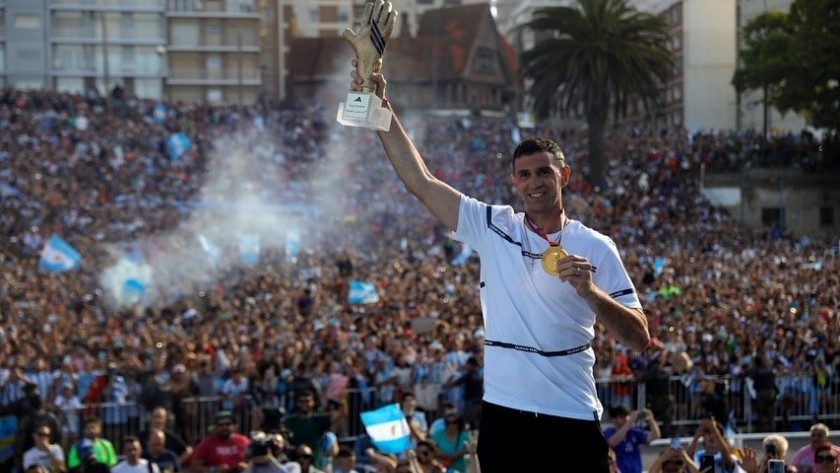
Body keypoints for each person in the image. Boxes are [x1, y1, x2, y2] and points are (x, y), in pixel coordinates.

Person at [348, 57, 649, 473]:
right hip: (505, 414)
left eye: (544, 172)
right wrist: (382, 106)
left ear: (564, 176)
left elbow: (639, 338)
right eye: (524, 175)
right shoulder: (493, 225)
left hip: (573, 413)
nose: (534, 182)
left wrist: (590, 293)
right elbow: (420, 181)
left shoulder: (596, 246)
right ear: (514, 183)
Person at [603, 406, 661, 473]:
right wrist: (630, 422)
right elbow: (612, 443)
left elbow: (655, 436)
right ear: (613, 419)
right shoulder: (608, 432)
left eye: (626, 416)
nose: (626, 419)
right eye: (622, 417)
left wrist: (651, 420)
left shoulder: (633, 431)